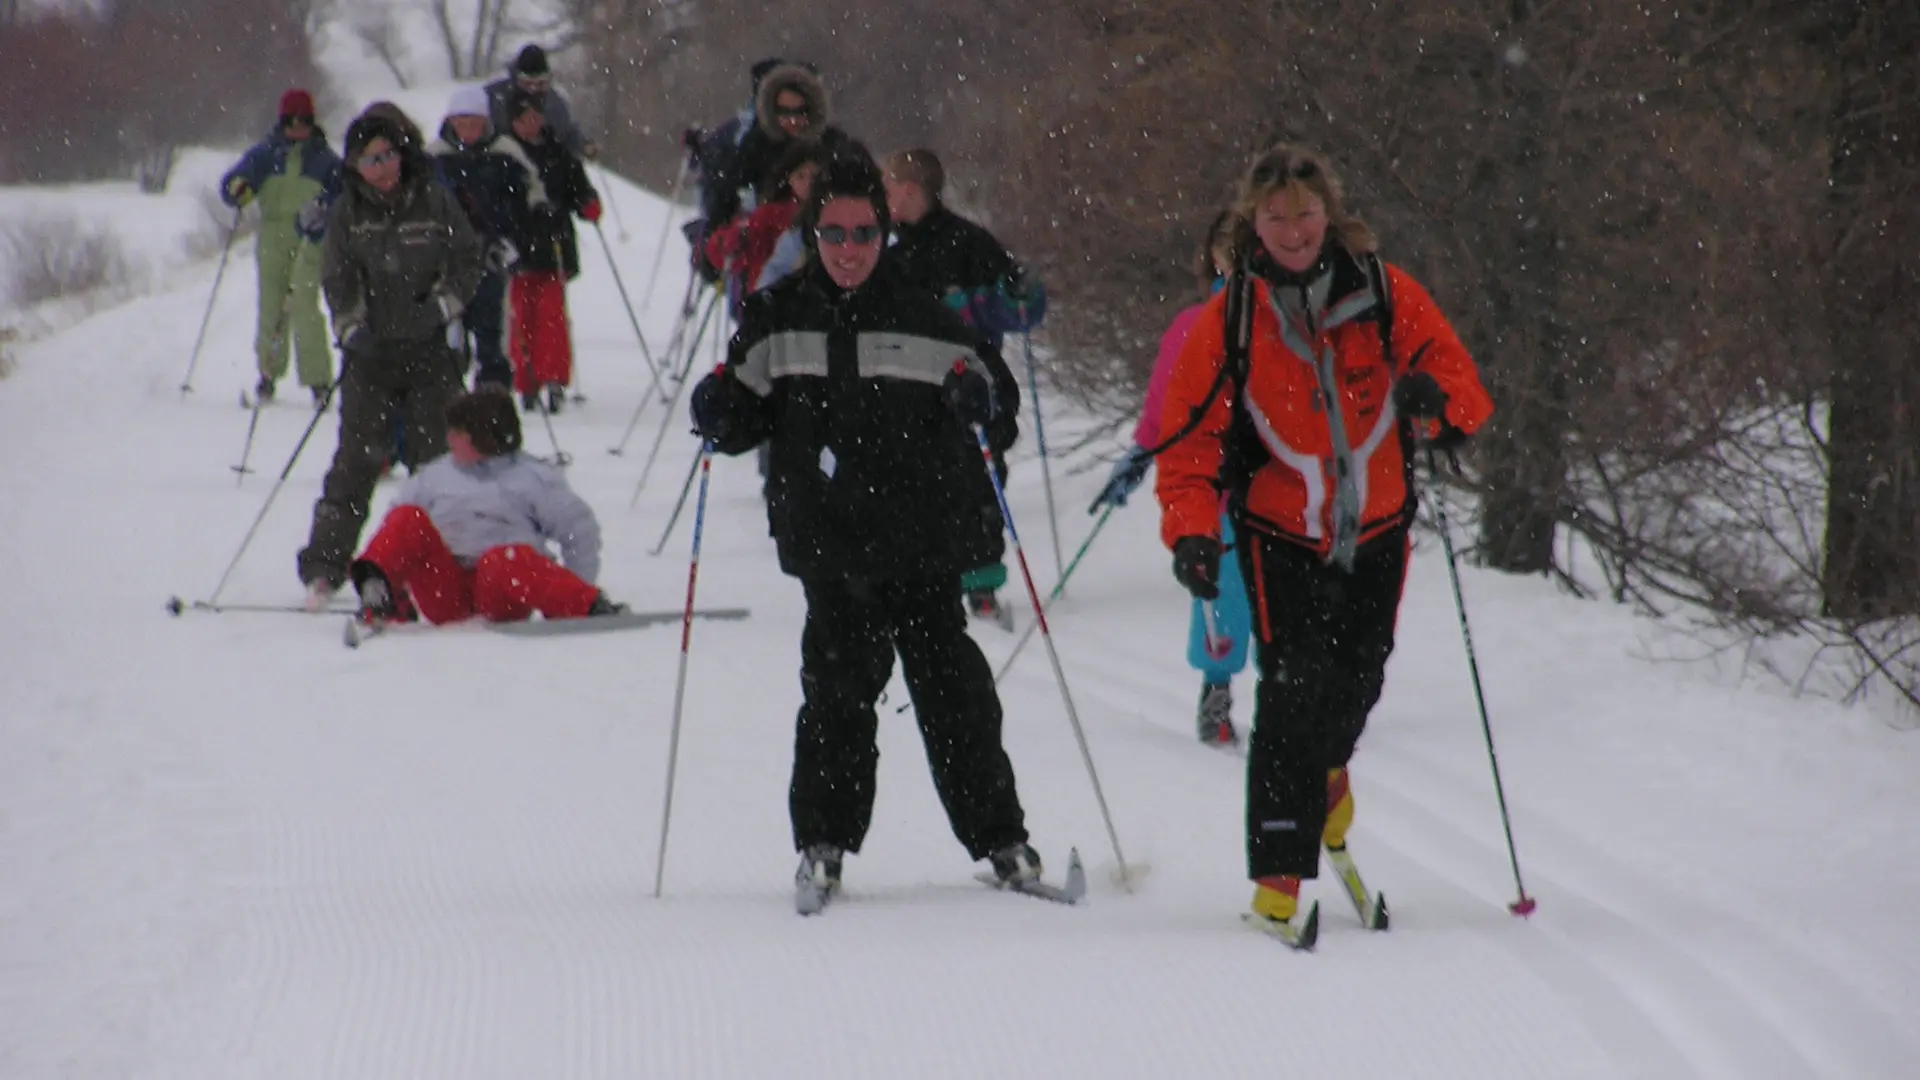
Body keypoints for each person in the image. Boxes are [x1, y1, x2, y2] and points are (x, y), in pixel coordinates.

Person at [686, 145, 1044, 903]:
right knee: (838, 693)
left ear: (886, 235)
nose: (849, 251)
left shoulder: (925, 311)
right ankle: (823, 844)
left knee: (954, 691)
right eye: (834, 235)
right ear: (814, 236)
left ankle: (1003, 841)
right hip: (830, 540)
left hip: (922, 537)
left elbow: (994, 397)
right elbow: (742, 405)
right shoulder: (779, 315)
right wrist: (716, 411)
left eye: (864, 234)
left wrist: (984, 405)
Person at [1153, 144, 1493, 935]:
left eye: (1306, 213)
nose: (1294, 230)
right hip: (1279, 536)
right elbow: (1189, 444)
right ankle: (1278, 884)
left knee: (1357, 685)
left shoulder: (1384, 291)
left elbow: (1465, 394)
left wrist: (1433, 401)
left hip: (1377, 529)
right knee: (1291, 694)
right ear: (1254, 224)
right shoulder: (1230, 316)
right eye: (1277, 217)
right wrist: (1193, 534)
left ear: (1328, 214)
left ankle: (1330, 779)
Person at [296, 106, 485, 606]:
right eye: (368, 159)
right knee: (355, 464)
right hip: (370, 357)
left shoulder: (434, 200)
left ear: (402, 154)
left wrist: (443, 306)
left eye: (386, 156)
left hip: (429, 353)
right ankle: (325, 568)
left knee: (438, 464)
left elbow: (468, 257)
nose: (380, 167)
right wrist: (352, 326)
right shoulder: (347, 213)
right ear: (354, 165)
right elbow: (336, 278)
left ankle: (450, 563)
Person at [1089, 210, 1249, 746]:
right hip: (1217, 493)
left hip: (1285, 493)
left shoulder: (1291, 324)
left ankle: (1293, 698)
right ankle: (1218, 688)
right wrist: (1140, 453)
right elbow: (1165, 402)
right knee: (1224, 595)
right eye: (1229, 252)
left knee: (1283, 598)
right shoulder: (1194, 326)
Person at [882, 148, 1046, 628]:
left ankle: (982, 588)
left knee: (978, 484)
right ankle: (926, 580)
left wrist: (998, 298)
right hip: (912, 390)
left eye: (888, 186)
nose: (883, 196)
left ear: (909, 190)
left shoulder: (969, 243)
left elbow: (1020, 310)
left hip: (975, 382)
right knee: (917, 483)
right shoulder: (890, 254)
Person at [349, 389, 624, 624]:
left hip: (502, 593)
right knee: (407, 518)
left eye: (458, 433)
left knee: (505, 560)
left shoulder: (534, 478)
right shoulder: (435, 476)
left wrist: (578, 587)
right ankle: (379, 595)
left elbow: (579, 530)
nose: (449, 440)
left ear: (484, 436)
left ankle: (588, 605)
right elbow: (398, 532)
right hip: (445, 589)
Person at [220, 88, 341, 408]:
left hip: (310, 236)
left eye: (305, 121)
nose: (298, 128)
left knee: (304, 304)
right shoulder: (265, 154)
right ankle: (268, 374)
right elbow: (234, 181)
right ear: (283, 121)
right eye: (292, 121)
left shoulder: (324, 159)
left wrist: (325, 208)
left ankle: (318, 380)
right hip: (272, 234)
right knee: (271, 306)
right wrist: (238, 189)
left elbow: (344, 194)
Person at [428, 85, 545, 392]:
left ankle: (492, 393)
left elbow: (528, 196)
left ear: (485, 123)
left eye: (474, 124)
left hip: (490, 252)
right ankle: (448, 389)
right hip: (447, 257)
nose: (467, 131)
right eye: (461, 123)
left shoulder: (505, 152)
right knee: (448, 322)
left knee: (491, 325)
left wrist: (518, 236)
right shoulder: (435, 156)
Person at [499, 89, 600, 415]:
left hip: (554, 246)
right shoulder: (504, 155)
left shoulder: (557, 152)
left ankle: (553, 377)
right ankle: (527, 381)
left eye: (534, 117)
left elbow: (579, 190)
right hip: (518, 249)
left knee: (552, 316)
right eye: (522, 118)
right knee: (522, 317)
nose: (530, 124)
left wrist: (586, 204)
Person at [692, 62, 835, 255]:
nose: (792, 120)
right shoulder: (756, 145)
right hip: (763, 245)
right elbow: (727, 188)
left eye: (799, 111)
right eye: (784, 112)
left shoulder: (830, 145)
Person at [484, 45, 595, 160]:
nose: (533, 89)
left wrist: (584, 145)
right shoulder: (495, 97)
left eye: (540, 83)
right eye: (527, 83)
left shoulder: (554, 103)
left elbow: (566, 133)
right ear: (516, 78)